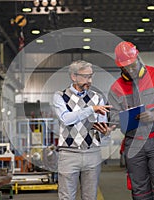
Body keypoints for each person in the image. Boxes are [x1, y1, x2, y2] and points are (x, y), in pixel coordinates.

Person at [108, 41, 154, 200]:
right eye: (127, 67)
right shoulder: (115, 88)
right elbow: (112, 115)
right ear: (120, 67)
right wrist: (121, 120)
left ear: (138, 58)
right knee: (140, 193)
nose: (131, 70)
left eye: (133, 65)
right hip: (134, 143)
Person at [52, 60, 114, 200]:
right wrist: (91, 109)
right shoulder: (60, 96)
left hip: (92, 153)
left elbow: (101, 128)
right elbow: (66, 119)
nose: (89, 80)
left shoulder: (97, 98)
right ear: (74, 77)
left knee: (90, 197)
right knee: (66, 197)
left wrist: (106, 133)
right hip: (68, 154)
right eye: (86, 77)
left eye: (91, 76)